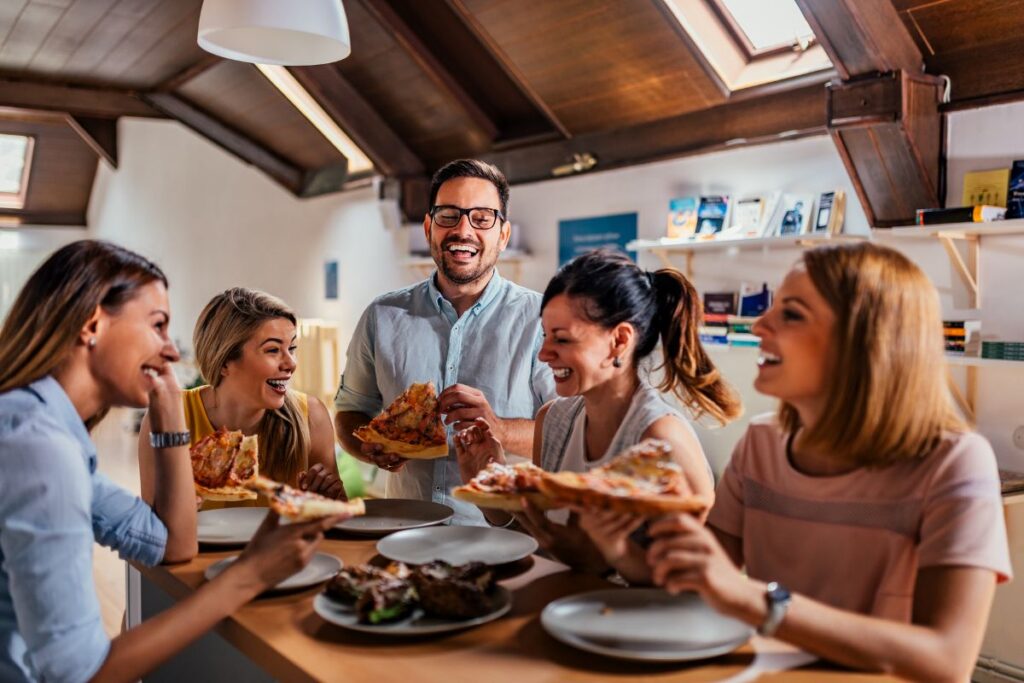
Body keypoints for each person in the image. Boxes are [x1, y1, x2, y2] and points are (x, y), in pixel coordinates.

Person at [646, 242, 1012, 681]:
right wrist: (616, 542)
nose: (760, 324)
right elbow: (700, 585)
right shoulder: (760, 443)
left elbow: (945, 660)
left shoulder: (955, 462)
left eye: (792, 314)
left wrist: (760, 603)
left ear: (867, 341)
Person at [0, 241, 340, 683]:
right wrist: (249, 576)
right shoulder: (38, 451)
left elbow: (171, 544)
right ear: (93, 325)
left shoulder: (51, 433)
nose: (171, 351)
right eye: (157, 326)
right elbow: (81, 676)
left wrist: (171, 423)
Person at [455, 249, 741, 582]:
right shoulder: (554, 420)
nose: (545, 354)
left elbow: (703, 586)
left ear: (619, 341)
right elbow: (547, 542)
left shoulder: (662, 440)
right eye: (545, 335)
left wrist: (608, 557)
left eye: (562, 339)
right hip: (564, 614)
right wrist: (491, 493)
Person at [335, 159, 555, 525]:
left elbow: (570, 436)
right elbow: (350, 411)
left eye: (482, 217)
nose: (463, 230)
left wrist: (497, 427)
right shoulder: (382, 315)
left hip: (508, 535)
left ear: (503, 234)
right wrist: (370, 449)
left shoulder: (541, 319)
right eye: (449, 215)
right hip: (405, 531)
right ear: (428, 228)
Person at [139, 288, 344, 508]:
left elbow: (337, 525)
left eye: (291, 348)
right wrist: (178, 509)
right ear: (225, 361)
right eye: (273, 350)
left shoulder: (311, 418)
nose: (291, 363)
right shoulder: (168, 417)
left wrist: (329, 503)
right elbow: (150, 531)